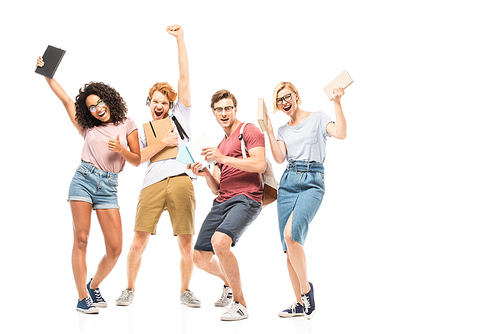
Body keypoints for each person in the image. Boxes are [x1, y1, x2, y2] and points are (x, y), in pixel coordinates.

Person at [35, 57, 141, 314]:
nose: (98, 108)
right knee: (81, 239)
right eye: (92, 107)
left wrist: (121, 150)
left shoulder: (127, 123)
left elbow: (137, 160)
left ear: (108, 100)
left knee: (115, 248)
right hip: (83, 180)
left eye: (100, 102)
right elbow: (66, 101)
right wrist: (47, 74)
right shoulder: (87, 128)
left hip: (109, 187)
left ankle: (93, 285)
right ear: (88, 112)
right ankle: (82, 298)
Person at [115, 24, 200, 308]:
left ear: (170, 104)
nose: (159, 105)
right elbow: (137, 160)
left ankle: (185, 290)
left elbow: (184, 76)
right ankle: (128, 288)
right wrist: (163, 142)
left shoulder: (181, 116)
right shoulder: (142, 130)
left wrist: (180, 39)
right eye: (154, 102)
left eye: (164, 102)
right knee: (138, 242)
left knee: (186, 244)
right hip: (151, 183)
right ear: (149, 104)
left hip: (180, 180)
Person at [265, 82, 347, 319]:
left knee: (292, 235)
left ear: (296, 96)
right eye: (279, 100)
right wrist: (269, 131)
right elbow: (280, 158)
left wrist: (337, 102)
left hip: (313, 181)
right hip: (289, 181)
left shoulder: (318, 118)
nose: (284, 103)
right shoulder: (282, 130)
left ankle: (305, 292)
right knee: (288, 245)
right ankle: (300, 304)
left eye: (286, 97)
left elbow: (341, 133)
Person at [187, 89, 266, 321]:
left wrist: (221, 158)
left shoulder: (247, 130)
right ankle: (228, 283)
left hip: (246, 198)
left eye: (228, 108)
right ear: (213, 113)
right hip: (221, 201)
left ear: (235, 109)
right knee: (199, 257)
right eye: (219, 109)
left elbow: (259, 164)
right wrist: (205, 174)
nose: (224, 113)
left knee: (220, 242)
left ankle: (240, 304)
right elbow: (216, 187)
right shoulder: (219, 145)